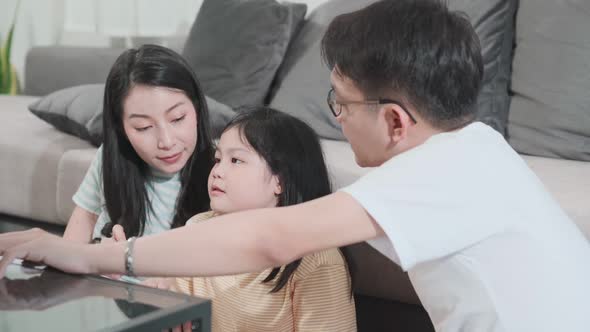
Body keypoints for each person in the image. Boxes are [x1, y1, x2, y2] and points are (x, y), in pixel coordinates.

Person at [1, 1, 590, 331]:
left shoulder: (441, 171)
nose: (335, 118)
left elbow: (267, 239)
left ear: (394, 122)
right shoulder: (477, 151)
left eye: (340, 103)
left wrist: (81, 254)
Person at [145, 107, 356, 332]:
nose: (217, 171)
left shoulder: (316, 259)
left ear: (280, 181)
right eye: (218, 159)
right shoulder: (198, 228)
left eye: (236, 160)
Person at [62, 44, 215, 243]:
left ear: (197, 109)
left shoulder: (223, 168)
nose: (166, 142)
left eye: (177, 118)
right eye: (143, 127)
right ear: (121, 129)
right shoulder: (109, 157)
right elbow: (73, 244)